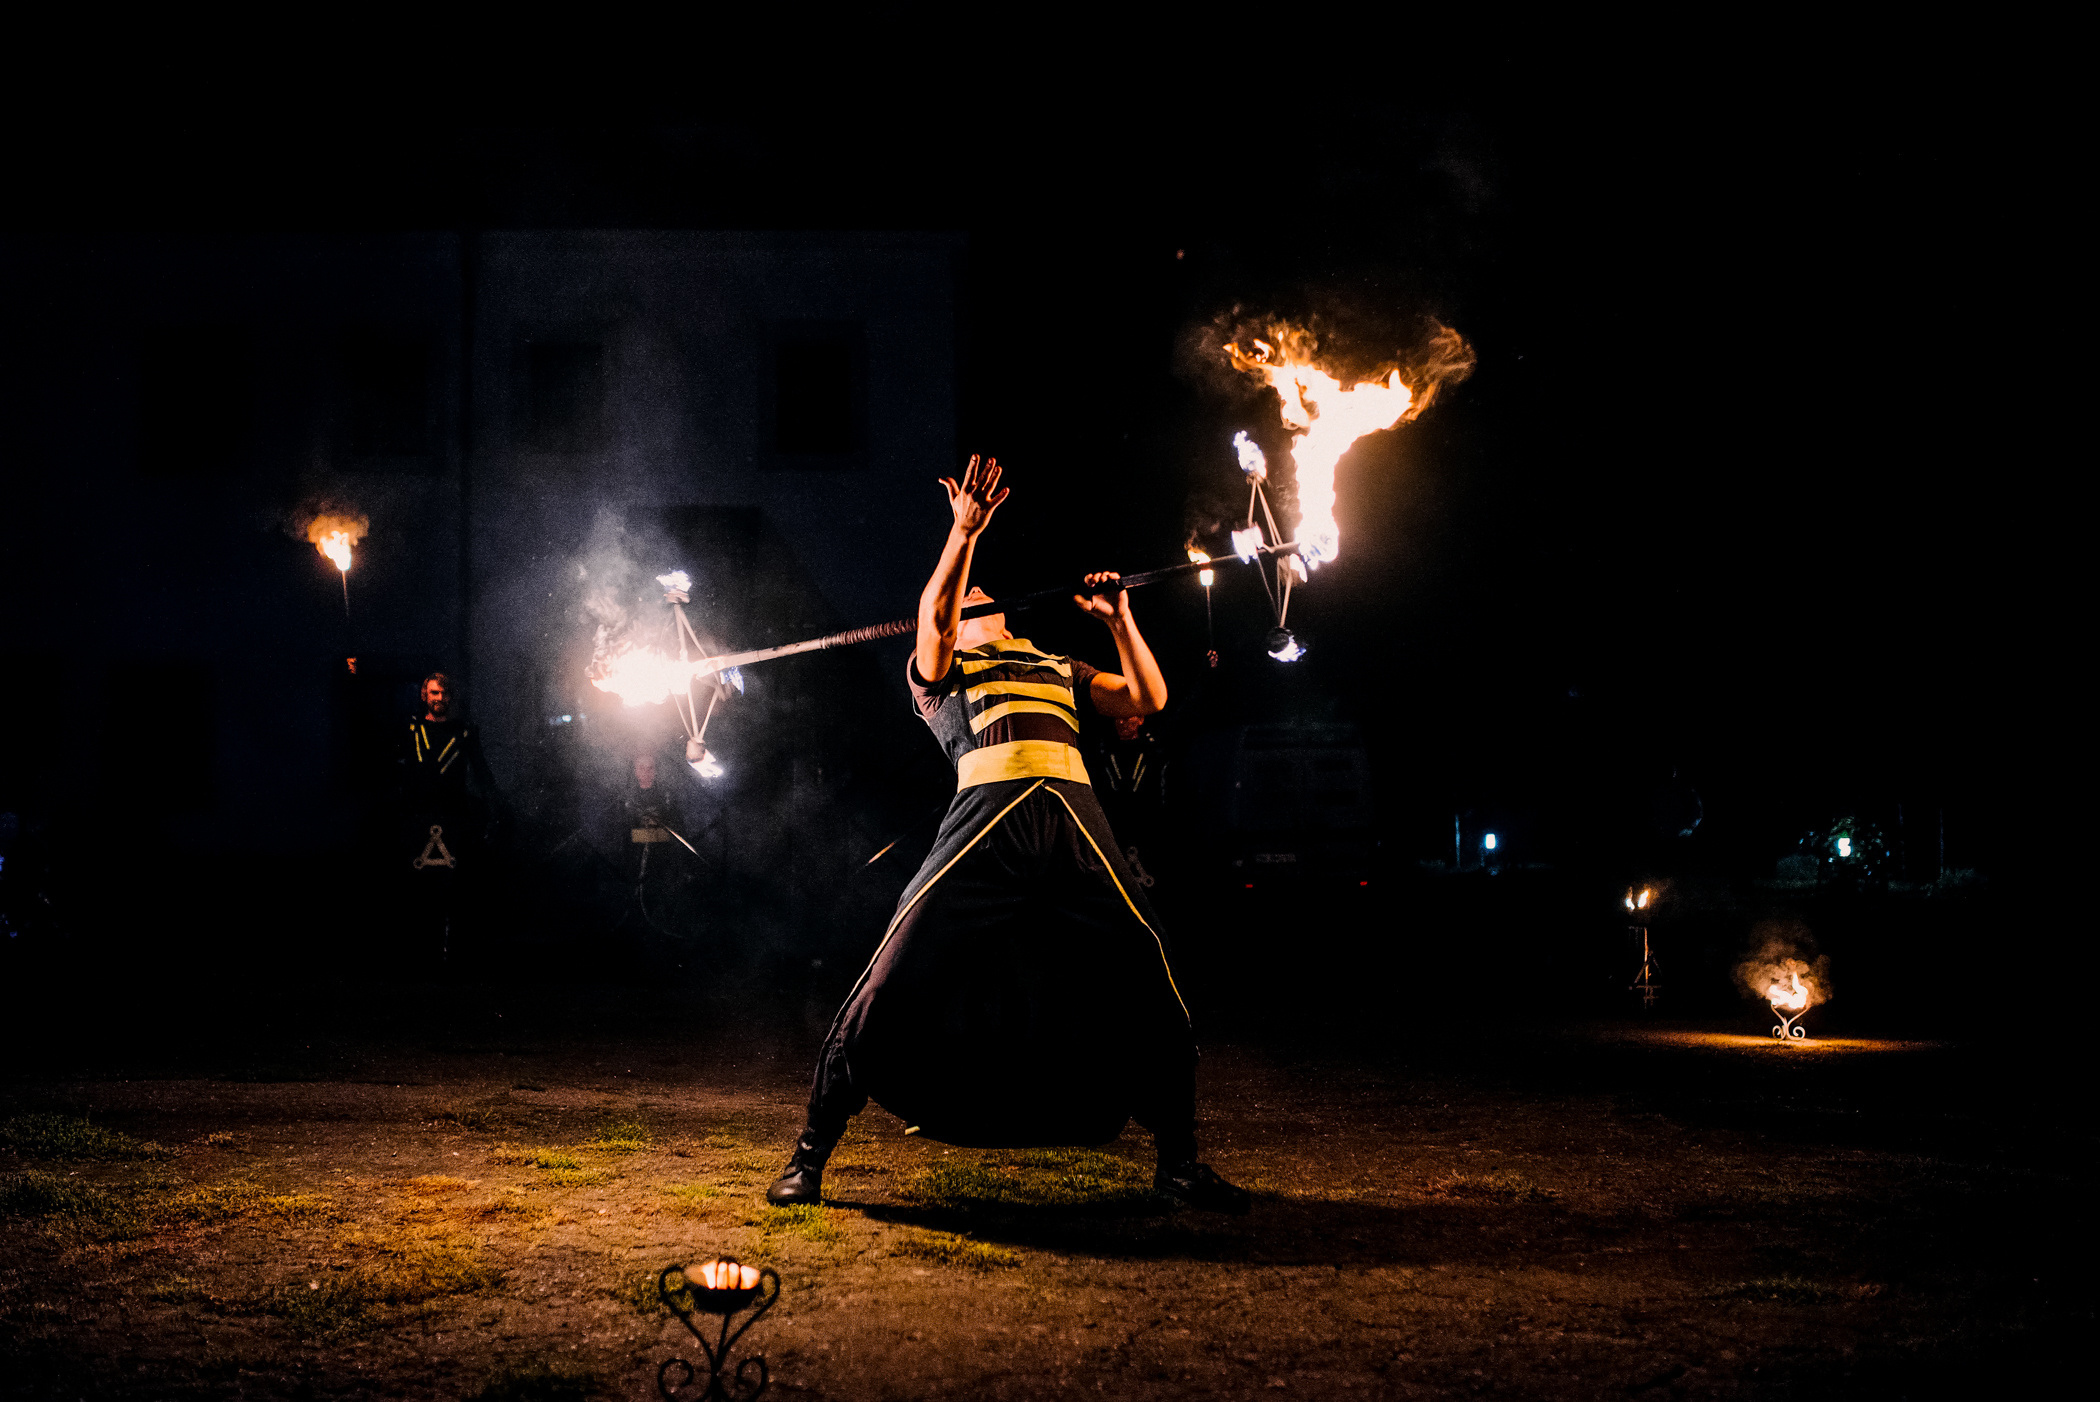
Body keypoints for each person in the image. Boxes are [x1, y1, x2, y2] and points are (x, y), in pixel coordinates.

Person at [768, 455, 1249, 1213]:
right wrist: (963, 533)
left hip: (1073, 817)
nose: (978, 596)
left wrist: (1120, 617)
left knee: (1149, 969)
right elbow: (933, 614)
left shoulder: (1057, 662)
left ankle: (1179, 1162)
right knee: (891, 977)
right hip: (985, 817)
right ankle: (809, 1154)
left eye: (982, 592)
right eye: (969, 595)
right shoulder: (941, 670)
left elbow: (1148, 696)